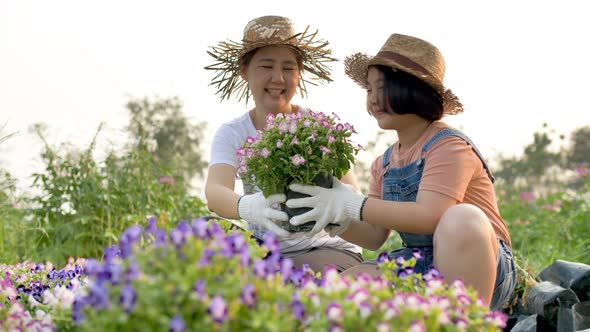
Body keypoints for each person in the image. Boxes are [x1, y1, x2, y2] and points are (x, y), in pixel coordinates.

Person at [285, 33, 516, 310]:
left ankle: (469, 324)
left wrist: (352, 204)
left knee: (461, 218)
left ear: (413, 90)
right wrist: (336, 217)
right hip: (420, 260)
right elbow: (373, 236)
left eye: (382, 87)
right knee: (332, 297)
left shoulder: (448, 145)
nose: (373, 99)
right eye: (369, 90)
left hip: (481, 265)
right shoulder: (383, 163)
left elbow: (430, 216)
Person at [204, 15, 363, 273]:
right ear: (245, 70)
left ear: (299, 73)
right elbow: (215, 193)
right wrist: (248, 207)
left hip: (324, 250)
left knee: (298, 280)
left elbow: (353, 198)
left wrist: (336, 208)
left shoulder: (318, 130)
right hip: (265, 249)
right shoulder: (233, 133)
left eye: (289, 68)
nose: (278, 78)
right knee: (205, 231)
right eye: (266, 67)